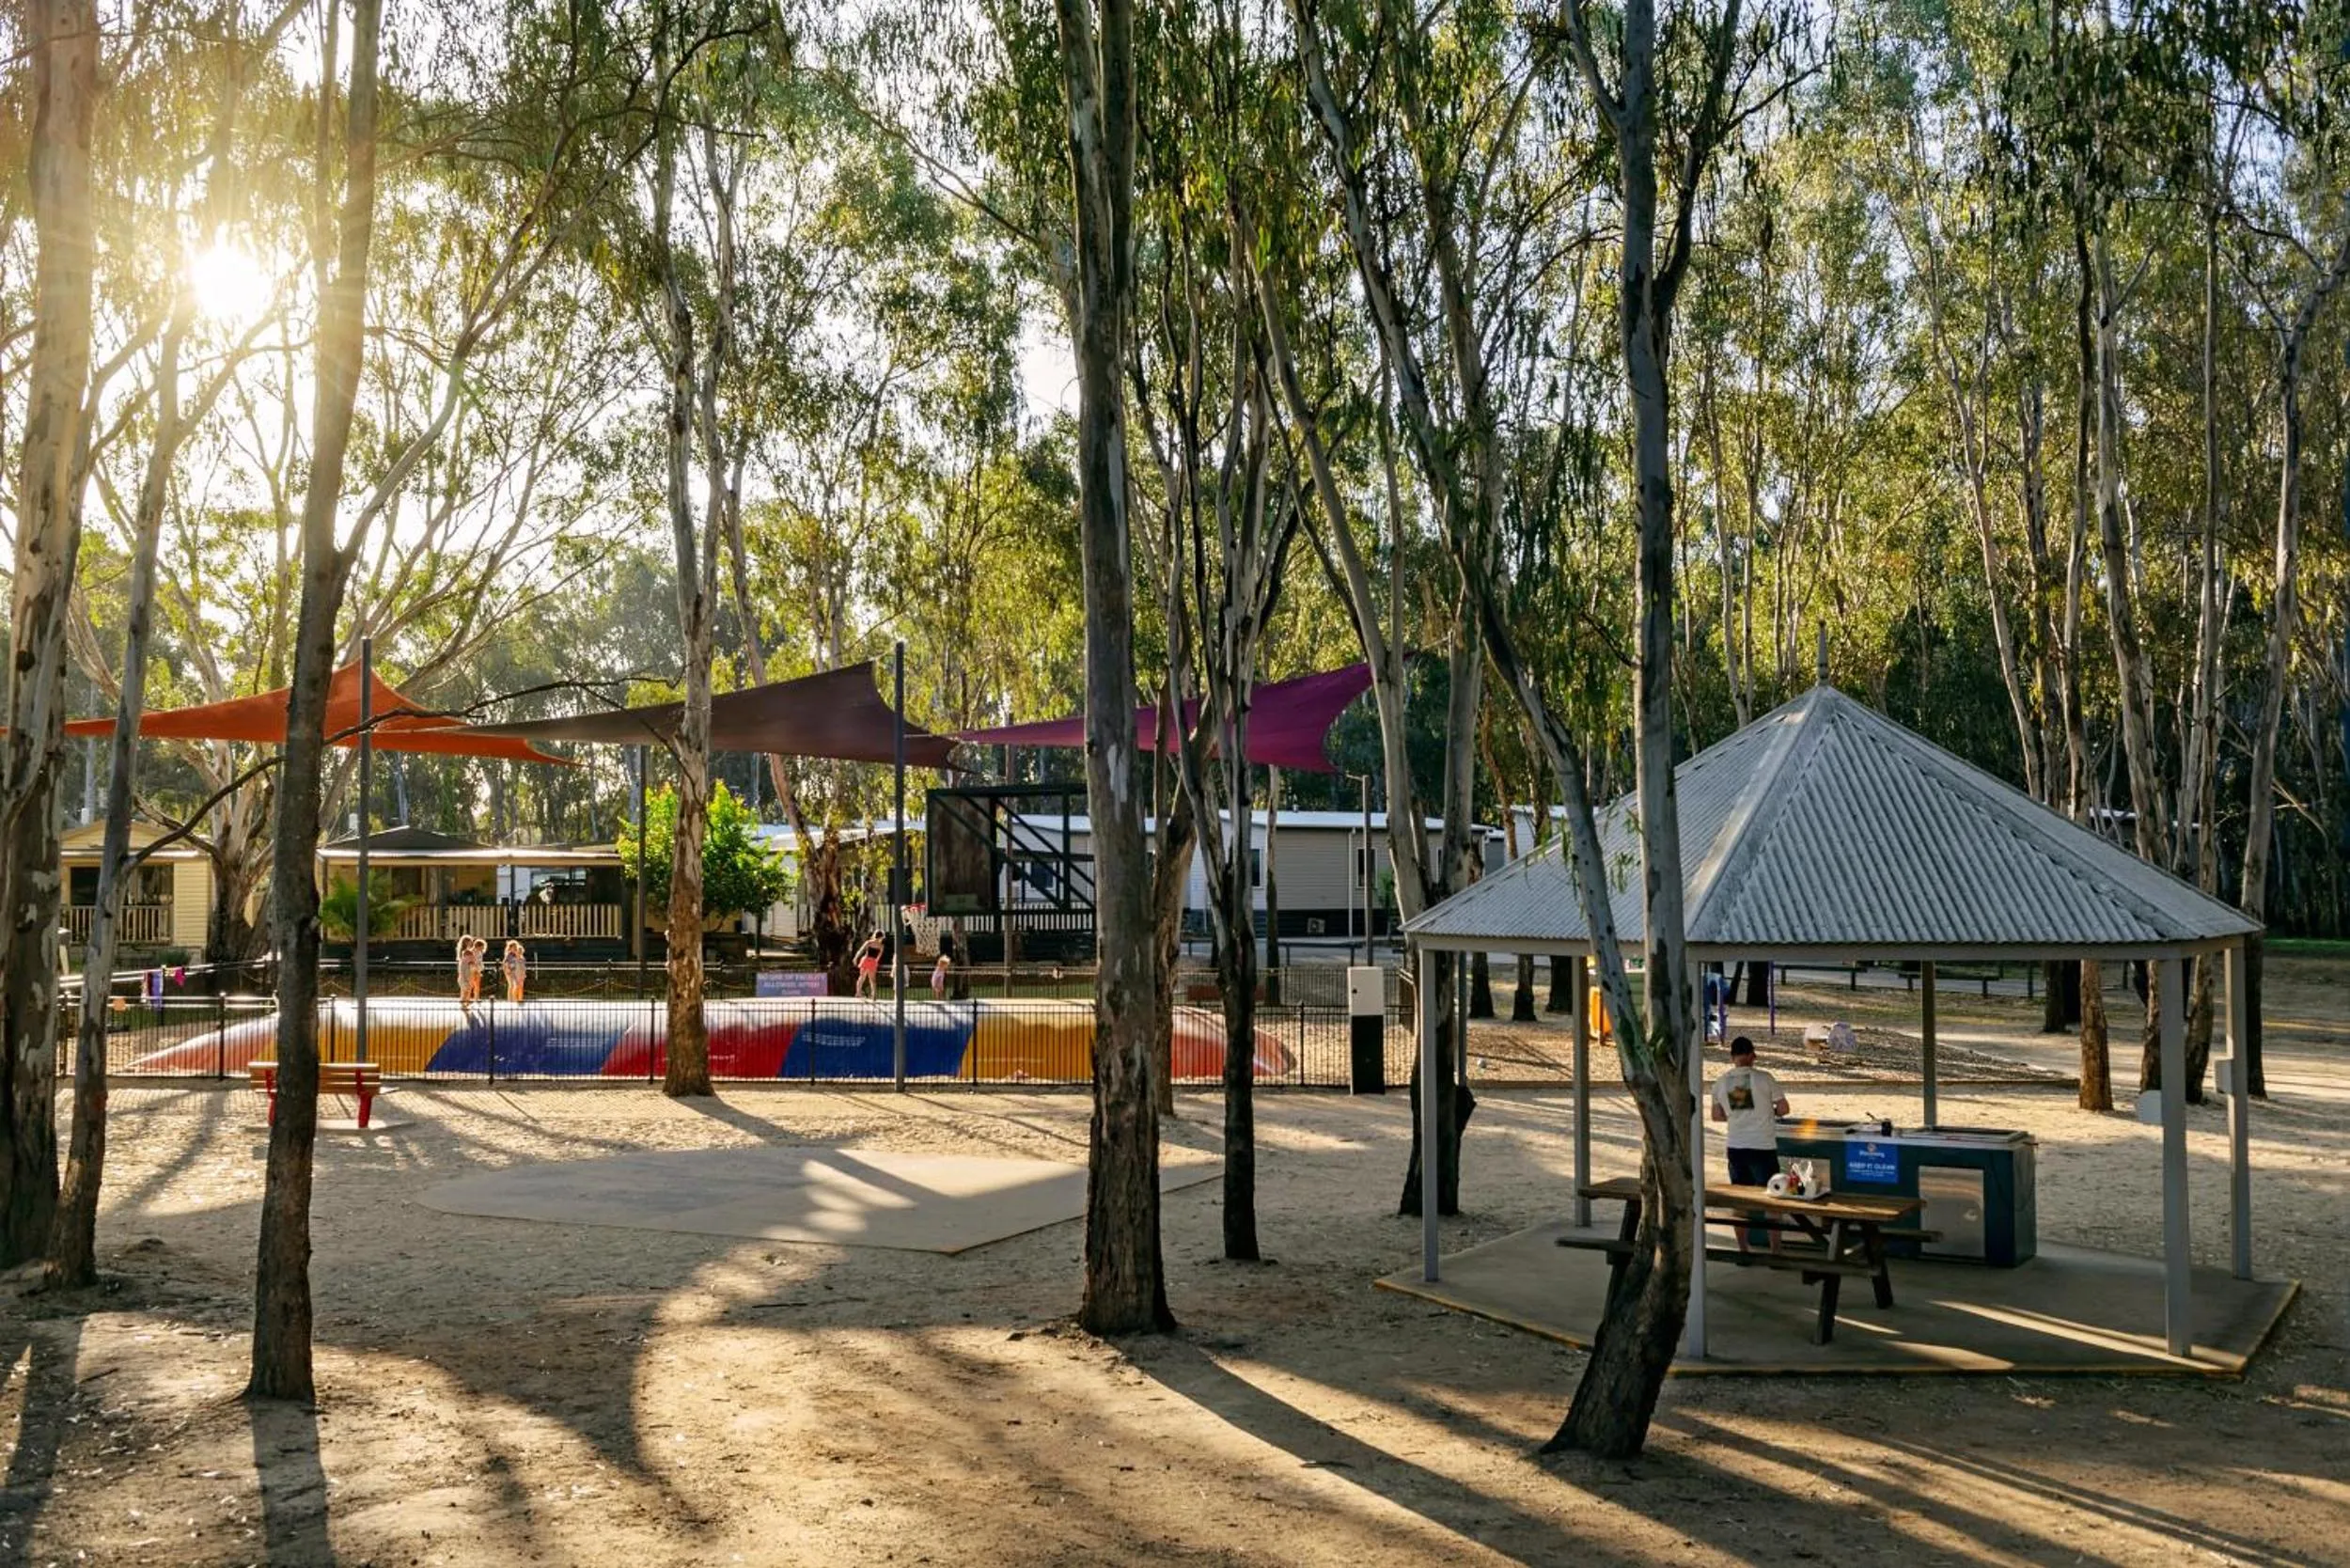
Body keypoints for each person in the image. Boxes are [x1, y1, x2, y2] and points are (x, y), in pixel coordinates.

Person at [1711, 1034, 1791, 1252]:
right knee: (1772, 1200)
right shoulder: (1765, 1078)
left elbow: (1717, 1116)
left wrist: (1737, 1115)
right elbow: (1784, 1108)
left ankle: (1743, 1249)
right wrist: (1769, 1111)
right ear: (1751, 1055)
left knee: (1740, 1201)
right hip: (1763, 1146)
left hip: (1736, 1146)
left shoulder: (1720, 1082)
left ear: (1732, 1057)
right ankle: (1775, 1250)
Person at [854, 931, 885, 1001]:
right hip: (873, 961)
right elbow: (878, 957)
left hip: (866, 960)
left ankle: (858, 992)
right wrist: (875, 963)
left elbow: (861, 950)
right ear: (881, 937)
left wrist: (856, 958)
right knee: (872, 980)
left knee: (862, 977)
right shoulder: (881, 946)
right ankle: (874, 995)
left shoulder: (869, 942)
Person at [456, 935, 482, 1005]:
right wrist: (478, 969)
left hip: (462, 972)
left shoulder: (462, 952)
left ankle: (465, 1003)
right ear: (467, 943)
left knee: (464, 989)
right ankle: (464, 1004)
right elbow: (471, 964)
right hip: (467, 972)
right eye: (470, 942)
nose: (472, 944)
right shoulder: (468, 953)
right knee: (467, 990)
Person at [502, 938, 527, 1003]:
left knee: (515, 985)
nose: (515, 948)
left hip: (514, 971)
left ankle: (514, 999)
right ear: (510, 948)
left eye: (515, 947)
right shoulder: (508, 955)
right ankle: (510, 1000)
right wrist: (507, 969)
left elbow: (520, 962)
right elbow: (505, 963)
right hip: (509, 971)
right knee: (511, 985)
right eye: (513, 947)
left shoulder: (517, 954)